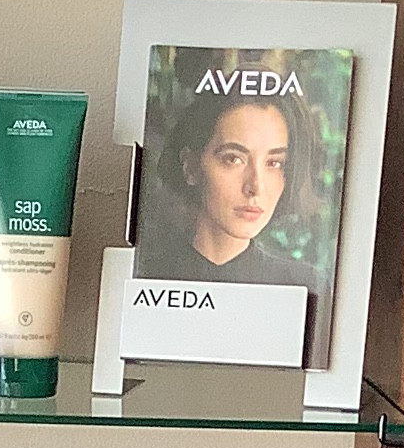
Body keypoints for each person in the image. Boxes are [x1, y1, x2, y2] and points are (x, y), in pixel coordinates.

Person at [135, 86, 316, 293]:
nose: (255, 187)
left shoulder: (304, 285)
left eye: (274, 163)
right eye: (233, 159)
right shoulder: (141, 273)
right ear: (191, 166)